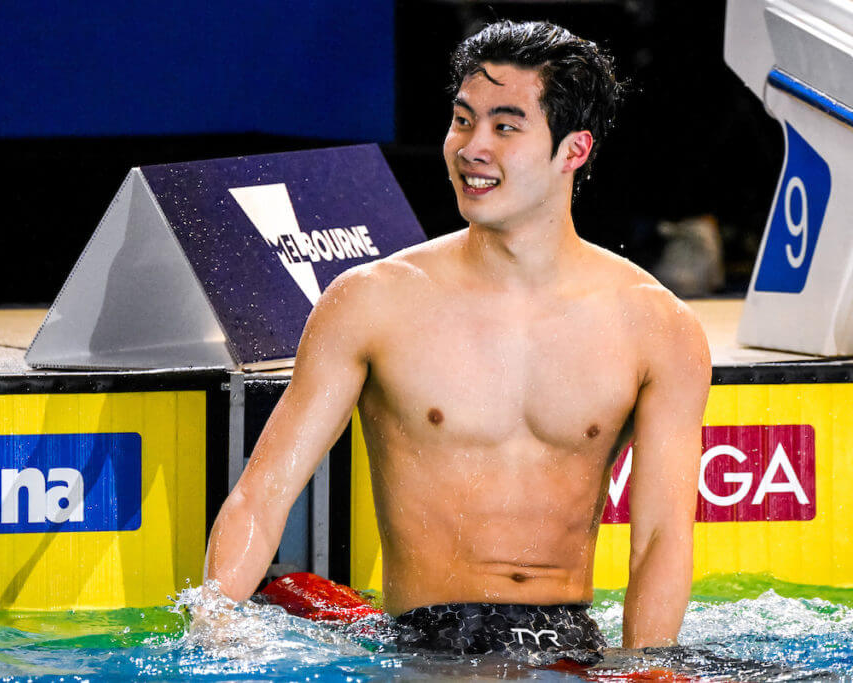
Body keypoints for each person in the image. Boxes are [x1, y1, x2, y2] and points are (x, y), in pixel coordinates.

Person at [198, 20, 710, 665]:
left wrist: (649, 668)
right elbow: (261, 494)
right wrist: (212, 636)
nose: (472, 147)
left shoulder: (657, 326)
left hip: (569, 645)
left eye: (505, 126)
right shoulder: (373, 299)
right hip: (428, 647)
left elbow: (661, 535)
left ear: (574, 150)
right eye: (462, 121)